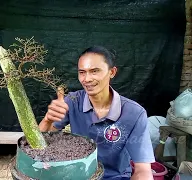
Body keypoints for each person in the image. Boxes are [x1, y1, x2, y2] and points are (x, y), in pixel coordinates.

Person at [39, 46, 155, 180]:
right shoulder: (73, 101)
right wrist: (48, 119)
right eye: (82, 72)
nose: (87, 79)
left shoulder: (134, 113)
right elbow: (38, 143)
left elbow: (143, 171)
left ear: (112, 72)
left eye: (94, 71)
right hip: (77, 175)